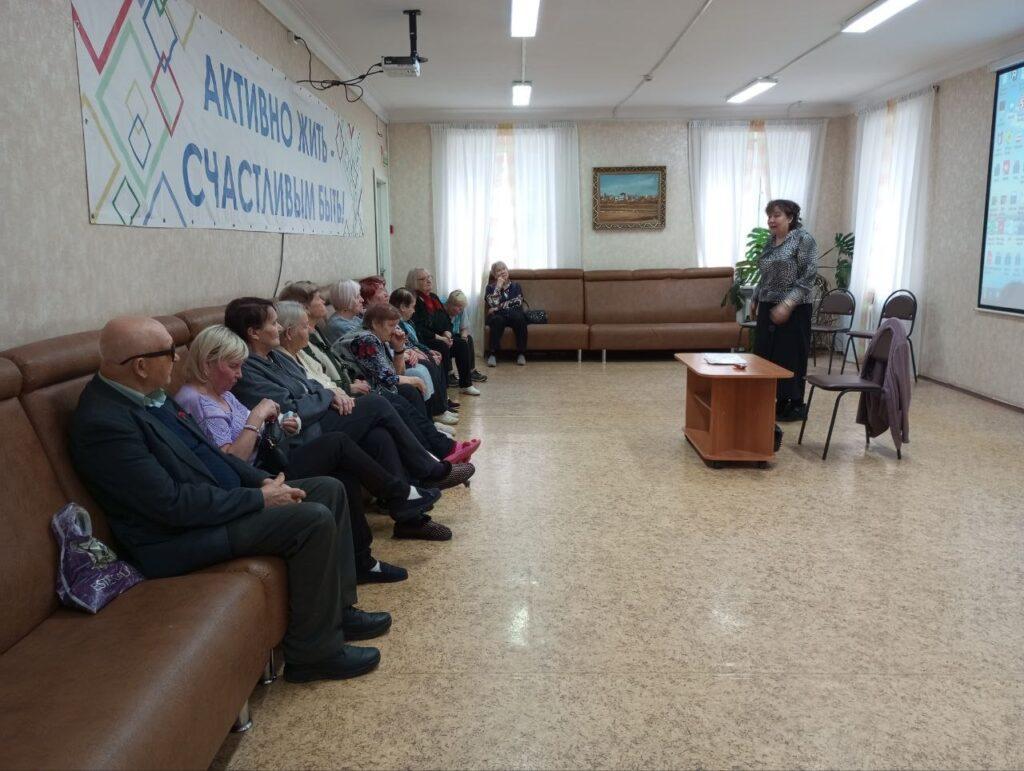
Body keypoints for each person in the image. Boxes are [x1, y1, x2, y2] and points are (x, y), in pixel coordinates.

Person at [69, 316, 388, 683]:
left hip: (218, 503)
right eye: (169, 353)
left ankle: (338, 613)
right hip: (175, 538)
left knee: (327, 489)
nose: (176, 359)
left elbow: (214, 453)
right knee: (310, 519)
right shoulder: (104, 424)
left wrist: (261, 480)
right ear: (141, 366)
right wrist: (258, 499)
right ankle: (315, 653)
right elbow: (170, 505)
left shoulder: (149, 393)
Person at [177, 323, 437, 581]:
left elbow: (253, 429)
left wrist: (279, 423)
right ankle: (400, 493)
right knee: (337, 442)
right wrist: (257, 417)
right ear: (208, 363)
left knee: (344, 474)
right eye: (234, 366)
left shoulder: (222, 393)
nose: (239, 374)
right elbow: (231, 461)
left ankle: (362, 561)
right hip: (259, 478)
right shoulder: (196, 401)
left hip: (271, 457)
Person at [225, 297, 475, 539]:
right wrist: (327, 395)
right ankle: (429, 469)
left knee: (379, 435)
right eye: (273, 323)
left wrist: (326, 394)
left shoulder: (275, 356)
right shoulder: (247, 369)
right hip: (300, 436)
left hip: (318, 419)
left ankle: (410, 518)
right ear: (254, 332)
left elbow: (311, 385)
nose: (279, 328)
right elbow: (291, 408)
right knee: (377, 403)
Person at [341, 303, 480, 464]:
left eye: (396, 325)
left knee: (409, 392)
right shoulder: (365, 340)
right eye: (391, 325)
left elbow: (397, 373)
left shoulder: (377, 337)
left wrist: (399, 349)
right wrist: (414, 380)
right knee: (405, 395)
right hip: (355, 390)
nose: (395, 330)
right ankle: (437, 450)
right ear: (375, 324)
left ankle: (438, 447)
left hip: (370, 386)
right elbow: (388, 378)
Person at [750, 199, 819, 422]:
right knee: (766, 354)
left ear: (790, 218)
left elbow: (808, 276)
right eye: (769, 215)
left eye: (777, 215)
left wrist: (788, 304)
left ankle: (793, 404)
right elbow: (765, 275)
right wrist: (756, 297)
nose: (771, 220)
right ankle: (773, 400)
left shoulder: (803, 239)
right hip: (769, 305)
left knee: (790, 356)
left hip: (795, 308)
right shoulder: (770, 242)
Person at [407, 268, 484, 396]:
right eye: (423, 279)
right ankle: (444, 390)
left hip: (441, 336)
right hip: (426, 340)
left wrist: (447, 332)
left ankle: (466, 385)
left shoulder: (433, 297)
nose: (429, 281)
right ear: (414, 282)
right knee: (442, 345)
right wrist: (440, 337)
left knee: (462, 343)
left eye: (429, 277)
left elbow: (445, 318)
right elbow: (419, 328)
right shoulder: (414, 301)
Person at [484, 261, 528, 367]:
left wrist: (497, 308)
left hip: (513, 314)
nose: (502, 272)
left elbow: (517, 302)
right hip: (498, 317)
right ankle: (493, 354)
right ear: (495, 275)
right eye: (499, 270)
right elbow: (492, 303)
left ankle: (521, 353)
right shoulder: (490, 288)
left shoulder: (516, 286)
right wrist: (498, 287)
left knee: (520, 318)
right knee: (497, 320)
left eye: (504, 269)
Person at [323, 279, 365, 345]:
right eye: (357, 297)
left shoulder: (352, 318)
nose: (362, 300)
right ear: (346, 300)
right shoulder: (341, 327)